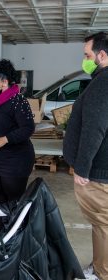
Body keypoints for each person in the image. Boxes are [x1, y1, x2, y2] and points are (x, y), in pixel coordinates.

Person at [63, 32, 108, 280]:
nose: (85, 60)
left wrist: (82, 167)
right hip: (102, 170)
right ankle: (100, 265)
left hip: (97, 174)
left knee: (103, 225)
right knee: (101, 224)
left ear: (102, 55)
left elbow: (95, 128)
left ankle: (103, 273)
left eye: (87, 55)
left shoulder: (102, 83)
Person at [0, 59, 35, 236]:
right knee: (0, 196)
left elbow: (28, 128)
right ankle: (2, 231)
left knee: (15, 200)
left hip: (15, 161)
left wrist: (6, 139)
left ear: (5, 81)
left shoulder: (18, 101)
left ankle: (17, 236)